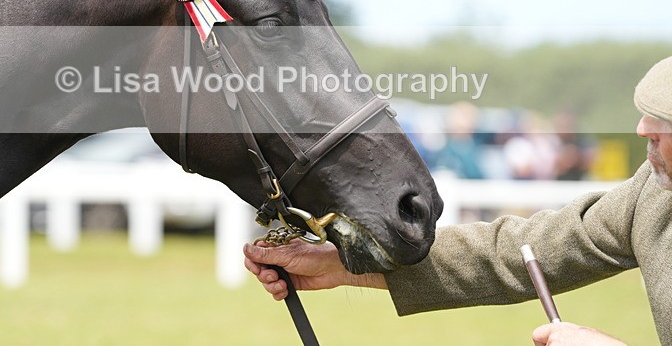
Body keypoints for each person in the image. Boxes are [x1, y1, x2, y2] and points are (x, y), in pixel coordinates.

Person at [244, 56, 672, 346]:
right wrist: (339, 262)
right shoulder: (650, 197)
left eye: (666, 118)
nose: (641, 129)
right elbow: (513, 253)